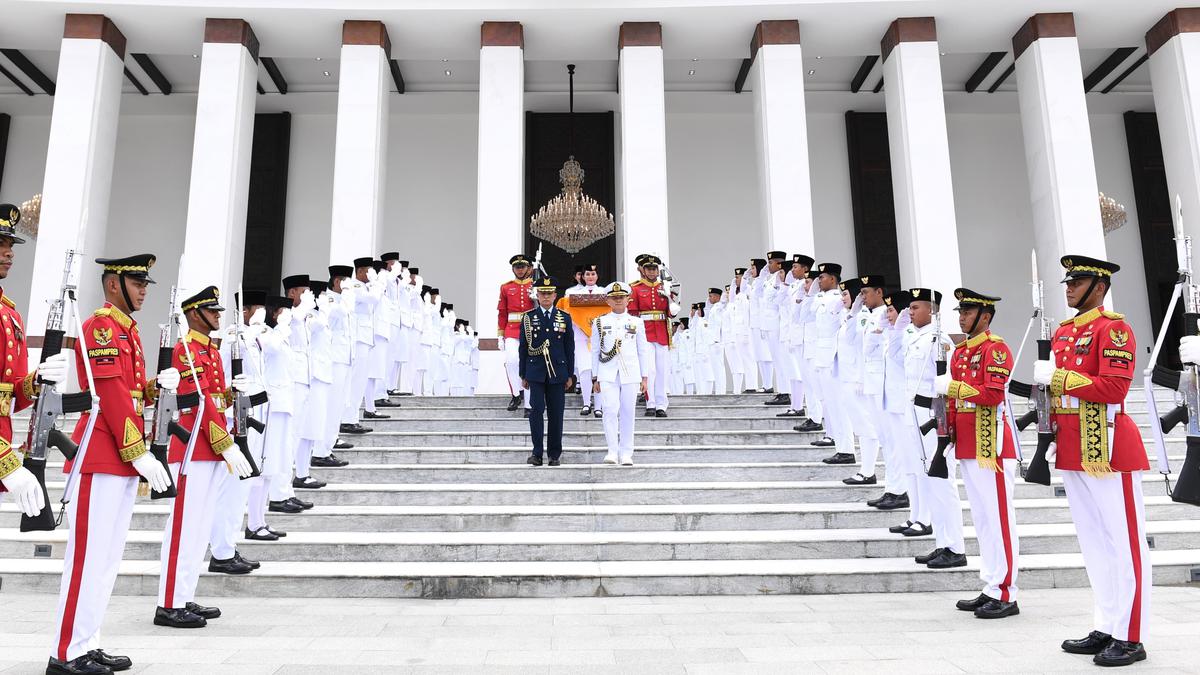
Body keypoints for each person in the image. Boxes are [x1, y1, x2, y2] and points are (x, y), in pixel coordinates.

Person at [1033, 255, 1149, 667]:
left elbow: (1114, 387)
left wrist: (1059, 379)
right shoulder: (1064, 332)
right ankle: (1107, 622)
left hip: (1109, 446)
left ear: (1098, 287)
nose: (1068, 287)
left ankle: (1131, 635)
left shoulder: (1113, 328)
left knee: (1124, 543)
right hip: (1072, 447)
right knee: (1094, 543)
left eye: (1077, 281)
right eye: (1067, 281)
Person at [157, 285, 255, 628]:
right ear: (194, 314)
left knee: (199, 528)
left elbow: (213, 400)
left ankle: (183, 595)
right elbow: (194, 402)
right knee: (184, 528)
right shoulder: (185, 351)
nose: (217, 315)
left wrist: (231, 393)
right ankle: (168, 603)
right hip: (191, 448)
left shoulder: (210, 352)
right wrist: (224, 443)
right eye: (211, 311)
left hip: (209, 448)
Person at [934, 288, 1019, 620]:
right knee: (983, 520)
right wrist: (948, 433)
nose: (962, 317)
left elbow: (993, 395)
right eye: (961, 312)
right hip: (969, 442)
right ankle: (991, 584)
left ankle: (1006, 590)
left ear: (985, 316)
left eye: (968, 312)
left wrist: (952, 388)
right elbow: (955, 403)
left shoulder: (996, 350)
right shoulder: (959, 353)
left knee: (999, 519)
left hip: (991, 443)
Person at [903, 287, 967, 570]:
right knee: (929, 480)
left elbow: (947, 383)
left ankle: (955, 546)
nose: (910, 311)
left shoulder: (939, 341)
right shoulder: (915, 338)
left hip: (935, 418)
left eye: (916, 307)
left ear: (933, 311)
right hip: (916, 417)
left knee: (942, 481)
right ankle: (942, 543)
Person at [592, 282, 650, 465]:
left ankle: (626, 453)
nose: (618, 300)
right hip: (607, 372)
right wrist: (595, 376)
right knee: (609, 410)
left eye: (621, 297)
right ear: (608, 300)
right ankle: (612, 451)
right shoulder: (600, 322)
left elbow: (643, 350)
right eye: (614, 298)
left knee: (628, 412)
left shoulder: (636, 322)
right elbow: (594, 351)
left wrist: (645, 376)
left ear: (628, 300)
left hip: (631, 373)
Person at [519, 277, 575, 466]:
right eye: (542, 293)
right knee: (536, 412)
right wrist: (523, 374)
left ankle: (554, 454)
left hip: (558, 372)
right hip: (535, 371)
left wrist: (569, 374)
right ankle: (536, 453)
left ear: (554, 295)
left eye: (549, 293)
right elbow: (523, 347)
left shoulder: (564, 317)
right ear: (537, 295)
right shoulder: (528, 317)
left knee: (556, 414)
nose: (545, 296)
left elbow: (569, 347)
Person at [628, 254, 674, 416]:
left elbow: (671, 312)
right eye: (649, 269)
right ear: (643, 270)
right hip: (644, 332)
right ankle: (650, 403)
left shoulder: (664, 286)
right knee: (649, 370)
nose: (652, 272)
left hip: (661, 331)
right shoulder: (635, 288)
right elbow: (632, 313)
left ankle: (662, 405)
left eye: (655, 269)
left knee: (662, 369)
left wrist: (671, 300)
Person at [563, 263, 604, 416]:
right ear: (582, 276)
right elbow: (567, 313)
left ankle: (598, 406)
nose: (590, 277)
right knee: (585, 371)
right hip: (580, 337)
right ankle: (587, 403)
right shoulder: (572, 294)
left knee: (598, 372)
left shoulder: (604, 292)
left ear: (597, 276)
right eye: (587, 274)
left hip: (600, 337)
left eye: (593, 274)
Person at [498, 254, 535, 412]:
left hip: (531, 329)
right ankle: (515, 394)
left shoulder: (535, 286)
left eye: (522, 267)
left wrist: (536, 298)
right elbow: (502, 312)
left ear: (528, 268)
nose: (520, 270)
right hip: (512, 329)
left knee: (529, 364)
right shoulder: (506, 287)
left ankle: (529, 402)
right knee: (512, 361)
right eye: (517, 267)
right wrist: (500, 335)